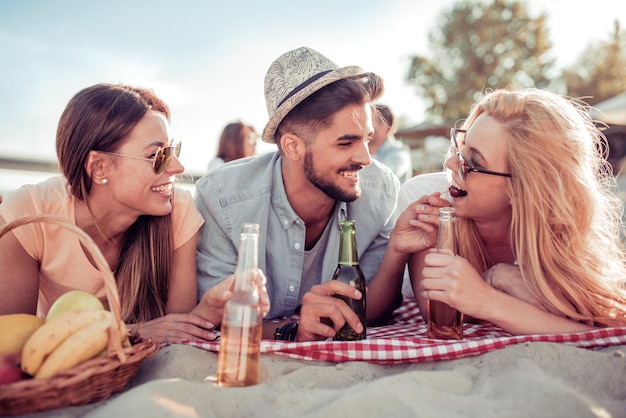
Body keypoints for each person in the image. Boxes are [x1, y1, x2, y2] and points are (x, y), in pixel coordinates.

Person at [0, 83, 269, 344]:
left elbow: (176, 332)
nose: (177, 166)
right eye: (157, 155)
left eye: (173, 150)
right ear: (99, 167)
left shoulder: (178, 211)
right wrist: (133, 332)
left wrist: (207, 310)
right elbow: (13, 342)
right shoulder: (31, 213)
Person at [195, 47, 415, 342]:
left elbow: (372, 309)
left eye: (366, 139)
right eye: (345, 143)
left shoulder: (381, 188)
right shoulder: (221, 198)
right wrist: (293, 331)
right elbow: (216, 319)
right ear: (293, 147)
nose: (364, 158)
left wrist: (397, 252)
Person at [401, 88, 626, 334]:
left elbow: (599, 331)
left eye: (473, 163)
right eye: (462, 146)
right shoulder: (430, 198)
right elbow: (441, 316)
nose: (451, 163)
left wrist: (492, 286)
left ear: (523, 187)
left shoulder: (556, 232)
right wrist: (491, 287)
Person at [369, 104, 413, 183]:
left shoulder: (399, 152)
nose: (363, 126)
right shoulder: (360, 151)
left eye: (369, 122)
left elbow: (381, 177)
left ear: (384, 127)